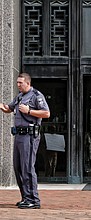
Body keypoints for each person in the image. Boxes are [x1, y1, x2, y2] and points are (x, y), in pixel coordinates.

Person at [0, 73, 50, 209]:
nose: (18, 85)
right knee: (18, 167)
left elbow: (46, 113)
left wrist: (29, 111)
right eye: (17, 83)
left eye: (20, 83)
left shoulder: (36, 96)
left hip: (30, 136)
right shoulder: (19, 97)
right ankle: (25, 197)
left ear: (28, 83)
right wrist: (2, 106)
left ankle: (33, 200)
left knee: (27, 167)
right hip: (19, 136)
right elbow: (8, 108)